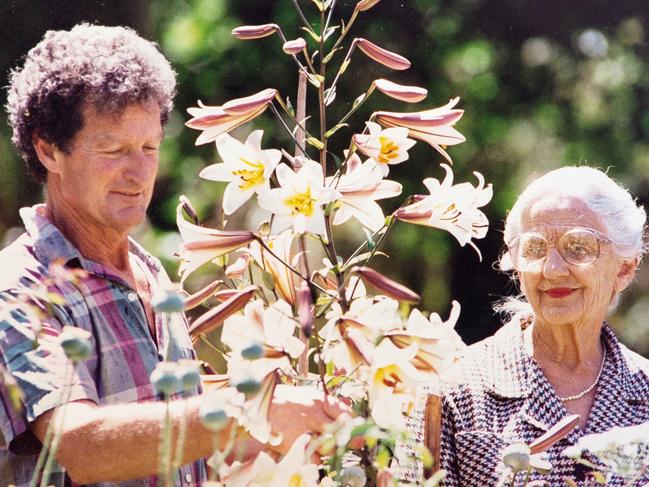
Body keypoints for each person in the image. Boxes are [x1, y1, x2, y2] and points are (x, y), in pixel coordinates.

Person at [0, 24, 346, 486]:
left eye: (149, 147)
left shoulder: (149, 272)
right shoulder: (20, 288)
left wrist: (312, 430)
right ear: (48, 151)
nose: (139, 173)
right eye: (112, 149)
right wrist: (246, 410)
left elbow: (183, 450)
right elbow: (82, 447)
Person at [397, 166, 649, 485]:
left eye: (579, 247)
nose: (553, 269)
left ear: (624, 268)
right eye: (535, 248)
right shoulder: (455, 393)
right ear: (516, 265)